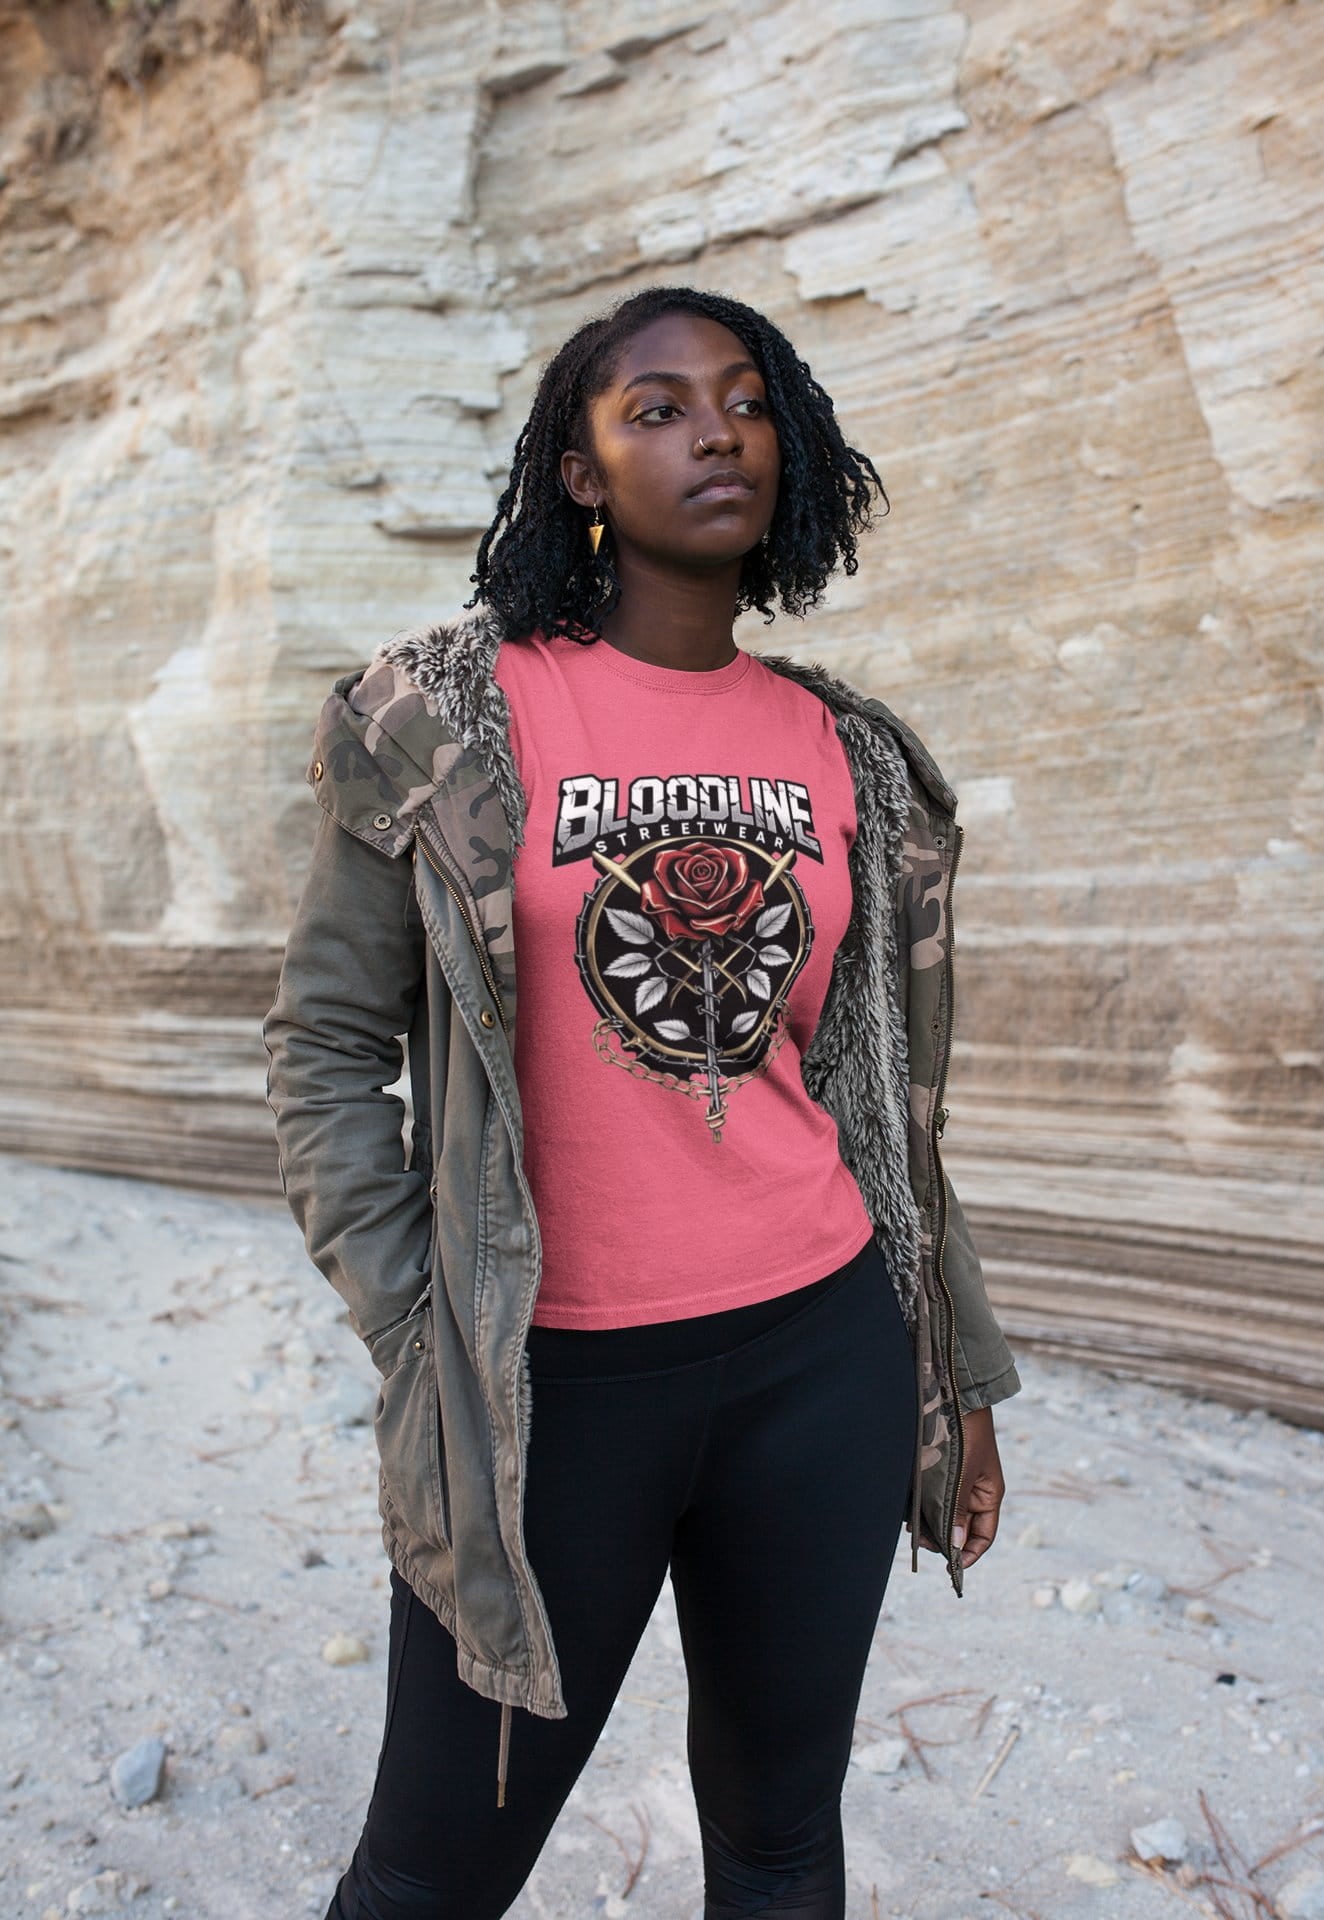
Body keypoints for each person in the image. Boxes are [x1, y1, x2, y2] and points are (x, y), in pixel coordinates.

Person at [262, 283, 1020, 1920]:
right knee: (429, 1873)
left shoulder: (851, 753)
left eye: (744, 400)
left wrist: (950, 1372)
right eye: (657, 408)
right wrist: (416, 1324)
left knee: (778, 1837)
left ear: (792, 444)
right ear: (582, 473)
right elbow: (324, 1045)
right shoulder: (441, 717)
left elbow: (889, 1101)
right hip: (549, 1389)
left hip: (823, 1355)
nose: (713, 432)